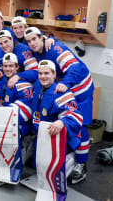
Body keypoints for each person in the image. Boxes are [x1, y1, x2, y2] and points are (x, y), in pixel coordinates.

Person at [25, 27, 94, 184]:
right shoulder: (39, 50)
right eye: (28, 41)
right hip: (64, 87)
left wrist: (65, 83)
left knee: (80, 124)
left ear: (42, 37)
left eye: (34, 39)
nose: (32, 43)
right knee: (62, 121)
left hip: (80, 88)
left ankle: (81, 164)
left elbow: (77, 67)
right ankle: (69, 154)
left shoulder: (55, 48)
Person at [29, 60, 83, 199]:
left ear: (54, 75)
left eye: (47, 73)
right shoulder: (38, 87)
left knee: (53, 174)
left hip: (59, 141)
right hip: (42, 137)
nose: (43, 76)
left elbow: (75, 115)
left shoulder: (61, 92)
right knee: (37, 166)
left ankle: (71, 160)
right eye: (40, 73)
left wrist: (62, 122)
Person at [0, 53, 33, 137]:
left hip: (20, 124)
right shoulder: (1, 80)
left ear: (17, 67)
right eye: (5, 66)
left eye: (11, 66)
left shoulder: (24, 85)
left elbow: (25, 112)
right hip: (4, 119)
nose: (7, 69)